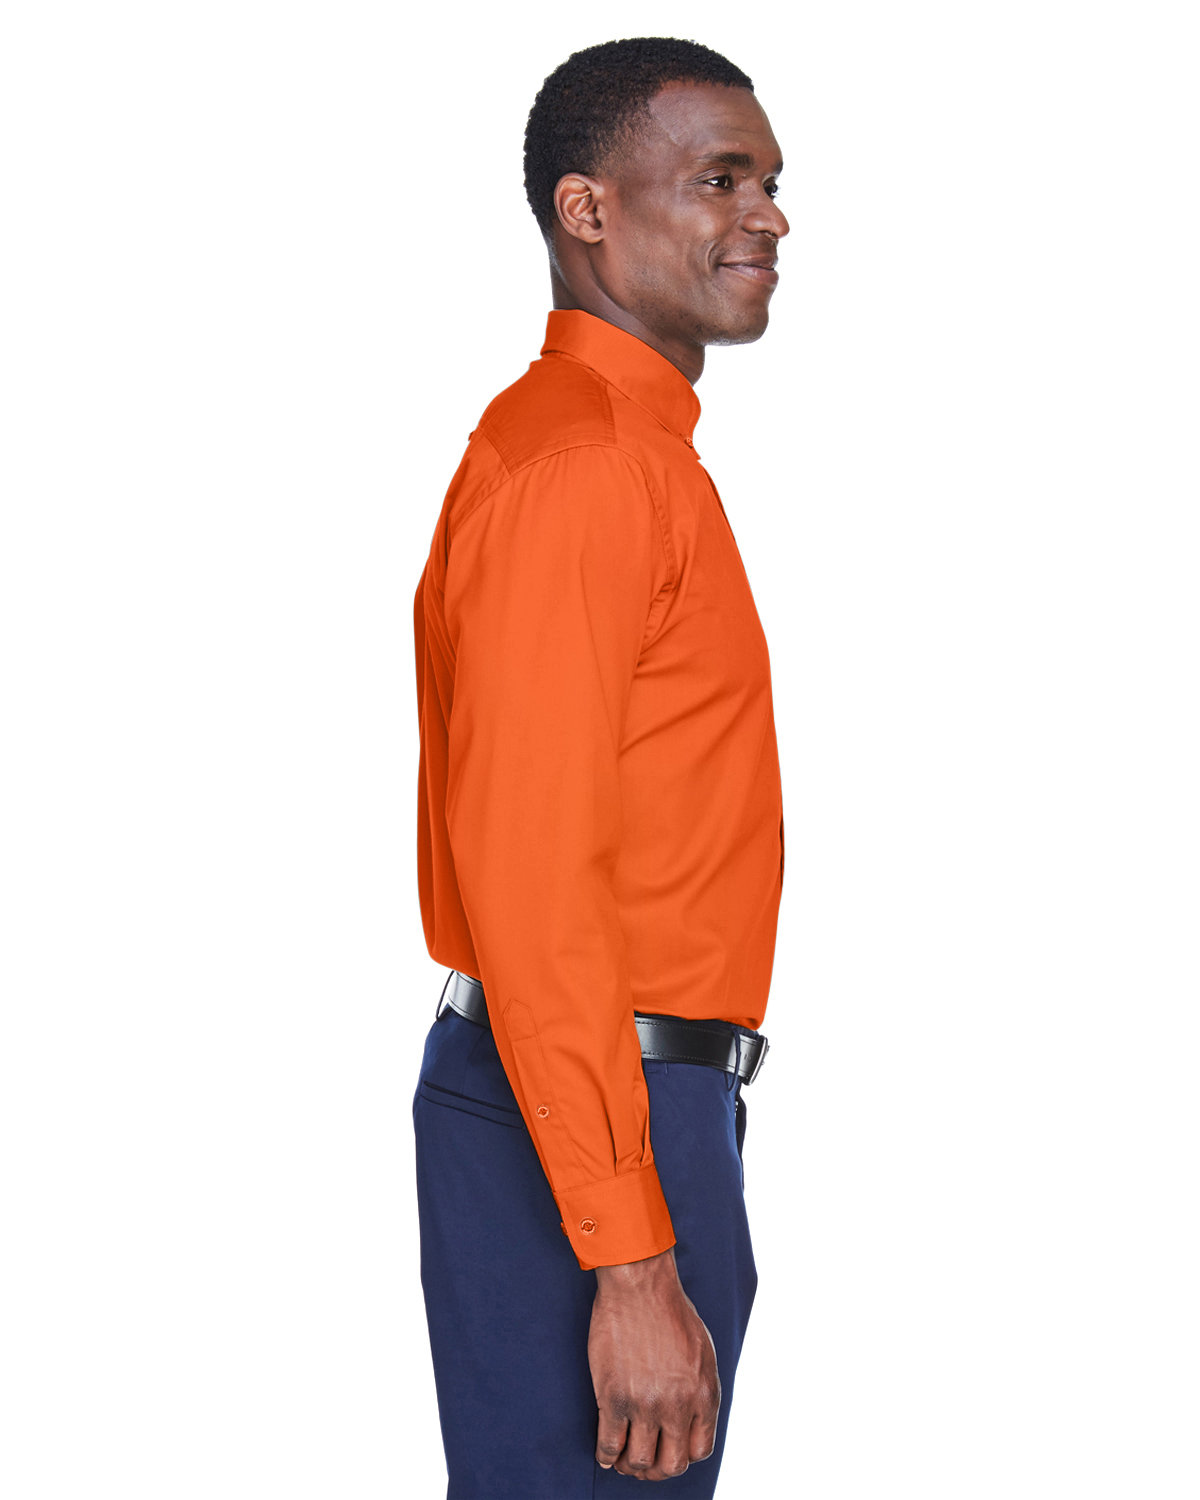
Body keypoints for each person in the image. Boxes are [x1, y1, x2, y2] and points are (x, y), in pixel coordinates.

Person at [411, 36, 789, 1497]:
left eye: (769, 183)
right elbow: (533, 875)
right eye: (720, 180)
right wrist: (631, 1257)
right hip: (585, 1117)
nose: (767, 216)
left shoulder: (630, 452)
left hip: (617, 1108)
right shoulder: (584, 469)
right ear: (587, 210)